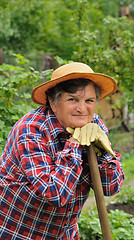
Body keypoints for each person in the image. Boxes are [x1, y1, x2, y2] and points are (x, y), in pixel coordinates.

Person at [0, 62, 124, 239]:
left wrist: (103, 153)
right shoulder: (31, 130)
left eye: (89, 101)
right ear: (53, 101)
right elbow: (55, 194)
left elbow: (111, 187)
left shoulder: (94, 125)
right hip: (18, 231)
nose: (82, 108)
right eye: (72, 99)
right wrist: (74, 143)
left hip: (63, 232)